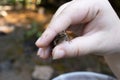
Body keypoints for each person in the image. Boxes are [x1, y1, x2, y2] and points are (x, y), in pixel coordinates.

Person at [35, 0, 120, 79]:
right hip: (56, 43)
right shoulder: (60, 36)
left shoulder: (64, 35)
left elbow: (65, 36)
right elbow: (58, 39)